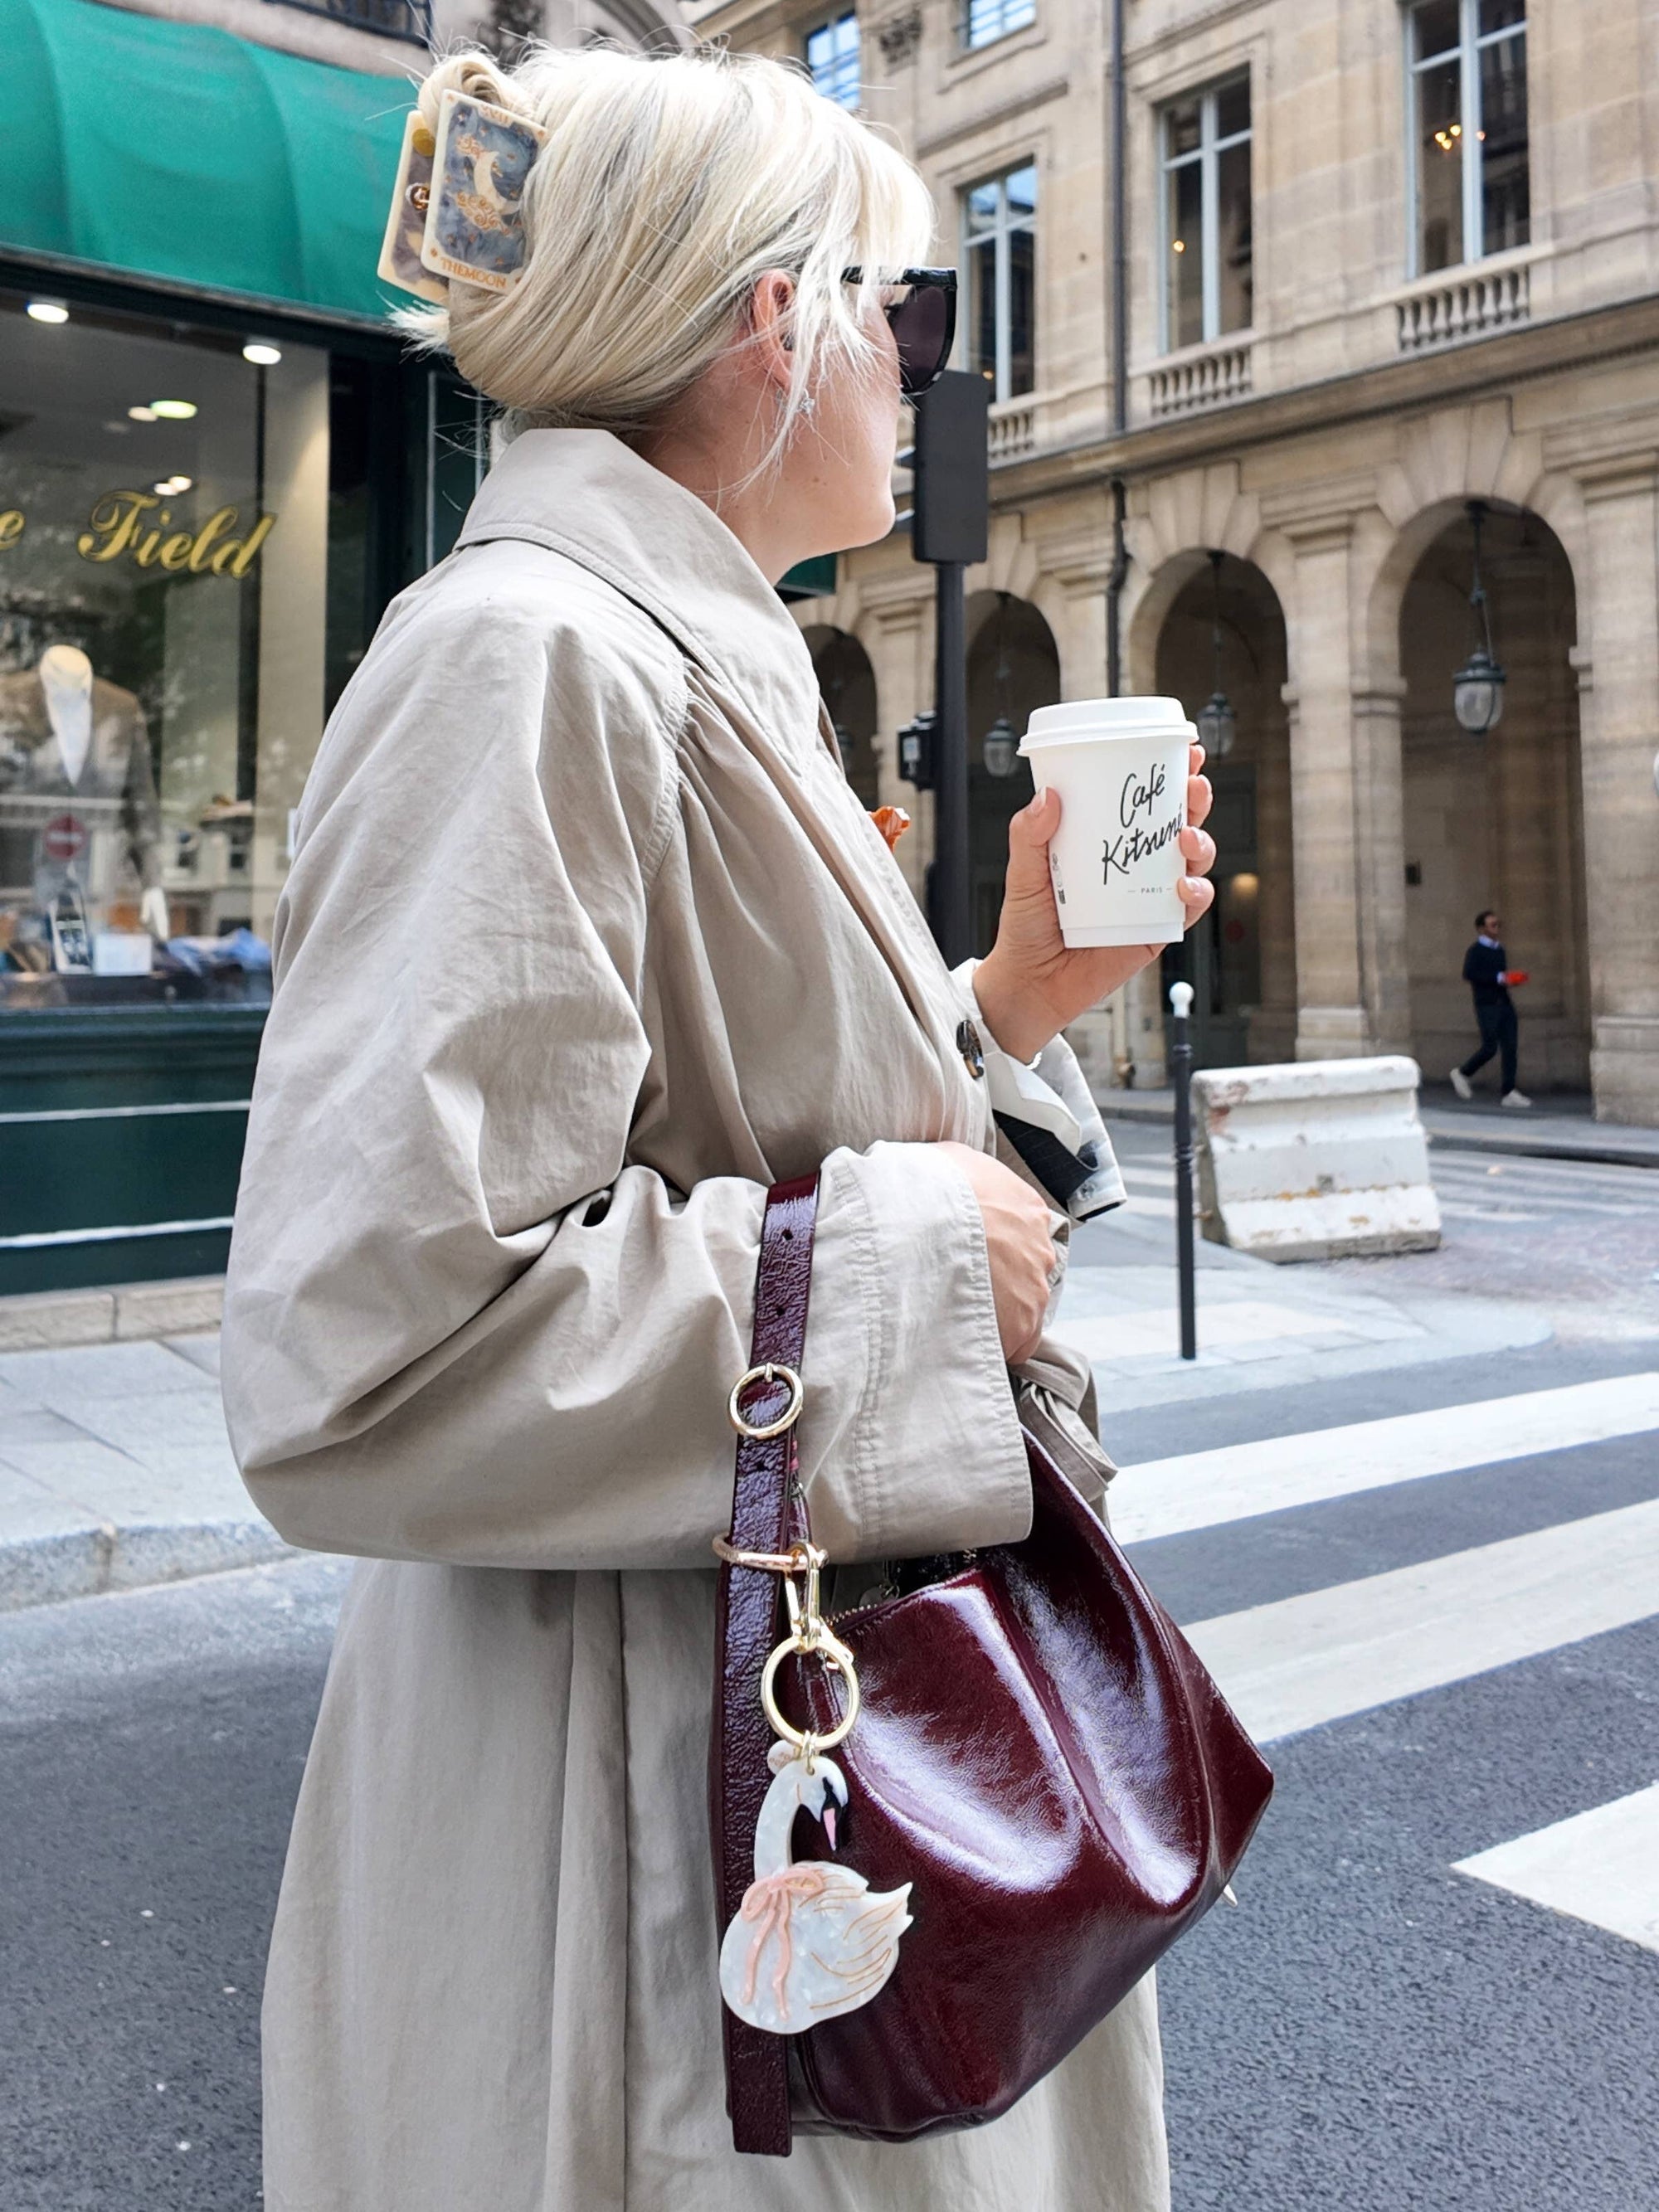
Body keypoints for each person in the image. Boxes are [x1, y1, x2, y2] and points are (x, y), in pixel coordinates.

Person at [221, 43, 1217, 2212]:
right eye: (918, 319)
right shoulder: (535, 657)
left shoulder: (681, 649)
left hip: (766, 1771)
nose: (931, 381)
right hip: (652, 1865)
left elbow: (726, 1134)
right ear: (785, 321)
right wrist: (896, 1268)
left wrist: (1014, 1007)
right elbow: (361, 1337)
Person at [1450, 907, 1530, 1108]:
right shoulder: (1475, 951)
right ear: (1481, 929)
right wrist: (1497, 978)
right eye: (1493, 925)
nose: (1497, 929)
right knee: (1490, 1046)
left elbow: (1500, 975)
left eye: (1498, 925)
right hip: (1486, 1004)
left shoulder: (1499, 949)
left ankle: (1509, 1091)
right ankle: (1462, 1073)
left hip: (1504, 1002)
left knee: (1510, 1047)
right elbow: (1469, 974)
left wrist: (1510, 979)